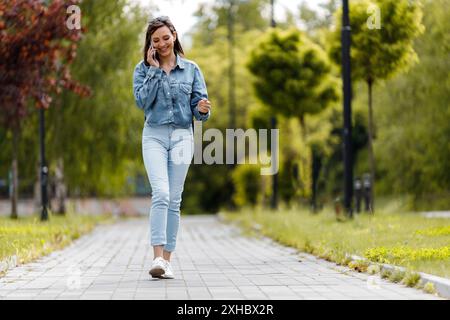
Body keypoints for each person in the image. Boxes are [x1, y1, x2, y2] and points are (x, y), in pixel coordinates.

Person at [133, 16, 212, 279]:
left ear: (174, 36)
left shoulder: (191, 69)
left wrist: (201, 110)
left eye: (166, 37)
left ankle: (167, 261)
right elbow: (143, 102)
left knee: (174, 200)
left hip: (181, 136)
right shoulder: (142, 70)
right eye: (156, 40)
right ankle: (157, 257)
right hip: (154, 135)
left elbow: (199, 107)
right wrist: (154, 70)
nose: (162, 43)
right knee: (161, 194)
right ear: (150, 44)